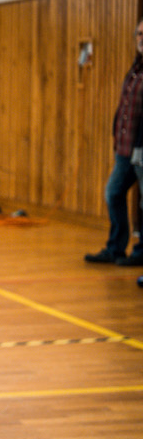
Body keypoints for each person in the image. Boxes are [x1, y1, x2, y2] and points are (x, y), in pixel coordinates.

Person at [84, 16, 143, 266]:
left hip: (141, 149)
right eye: (139, 34)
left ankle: (141, 252)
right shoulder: (135, 67)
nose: (142, 38)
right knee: (113, 193)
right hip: (125, 149)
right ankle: (116, 247)